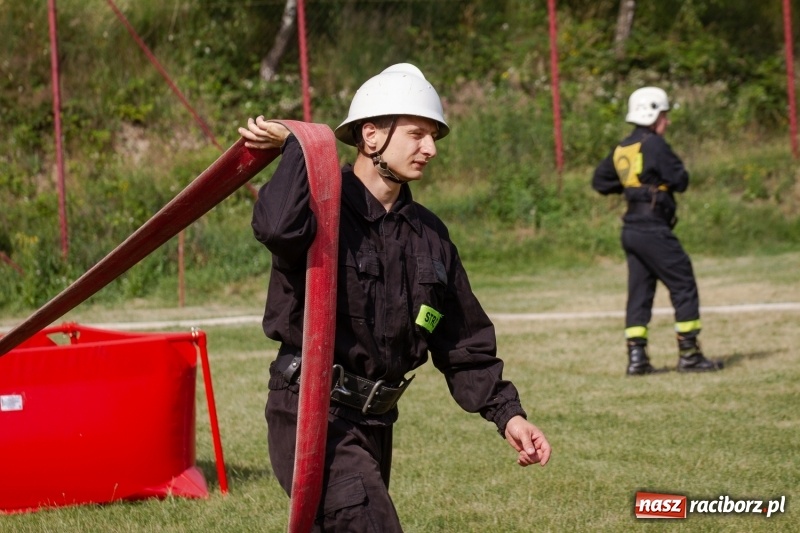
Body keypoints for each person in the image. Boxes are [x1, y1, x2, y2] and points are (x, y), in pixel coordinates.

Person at [238, 63, 551, 530]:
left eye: (433, 138)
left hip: (376, 424)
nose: (430, 148)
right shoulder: (320, 207)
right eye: (416, 134)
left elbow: (463, 342)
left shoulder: (430, 236)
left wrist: (509, 415)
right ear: (371, 136)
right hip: (311, 412)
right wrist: (303, 148)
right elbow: (277, 226)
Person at [592, 86, 723, 376]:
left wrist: (632, 186)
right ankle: (689, 353)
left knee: (640, 291)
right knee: (683, 282)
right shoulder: (654, 144)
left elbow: (600, 182)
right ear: (652, 114)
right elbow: (680, 179)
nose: (667, 121)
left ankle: (637, 358)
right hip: (653, 227)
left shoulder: (623, 147)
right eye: (665, 115)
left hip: (632, 229)